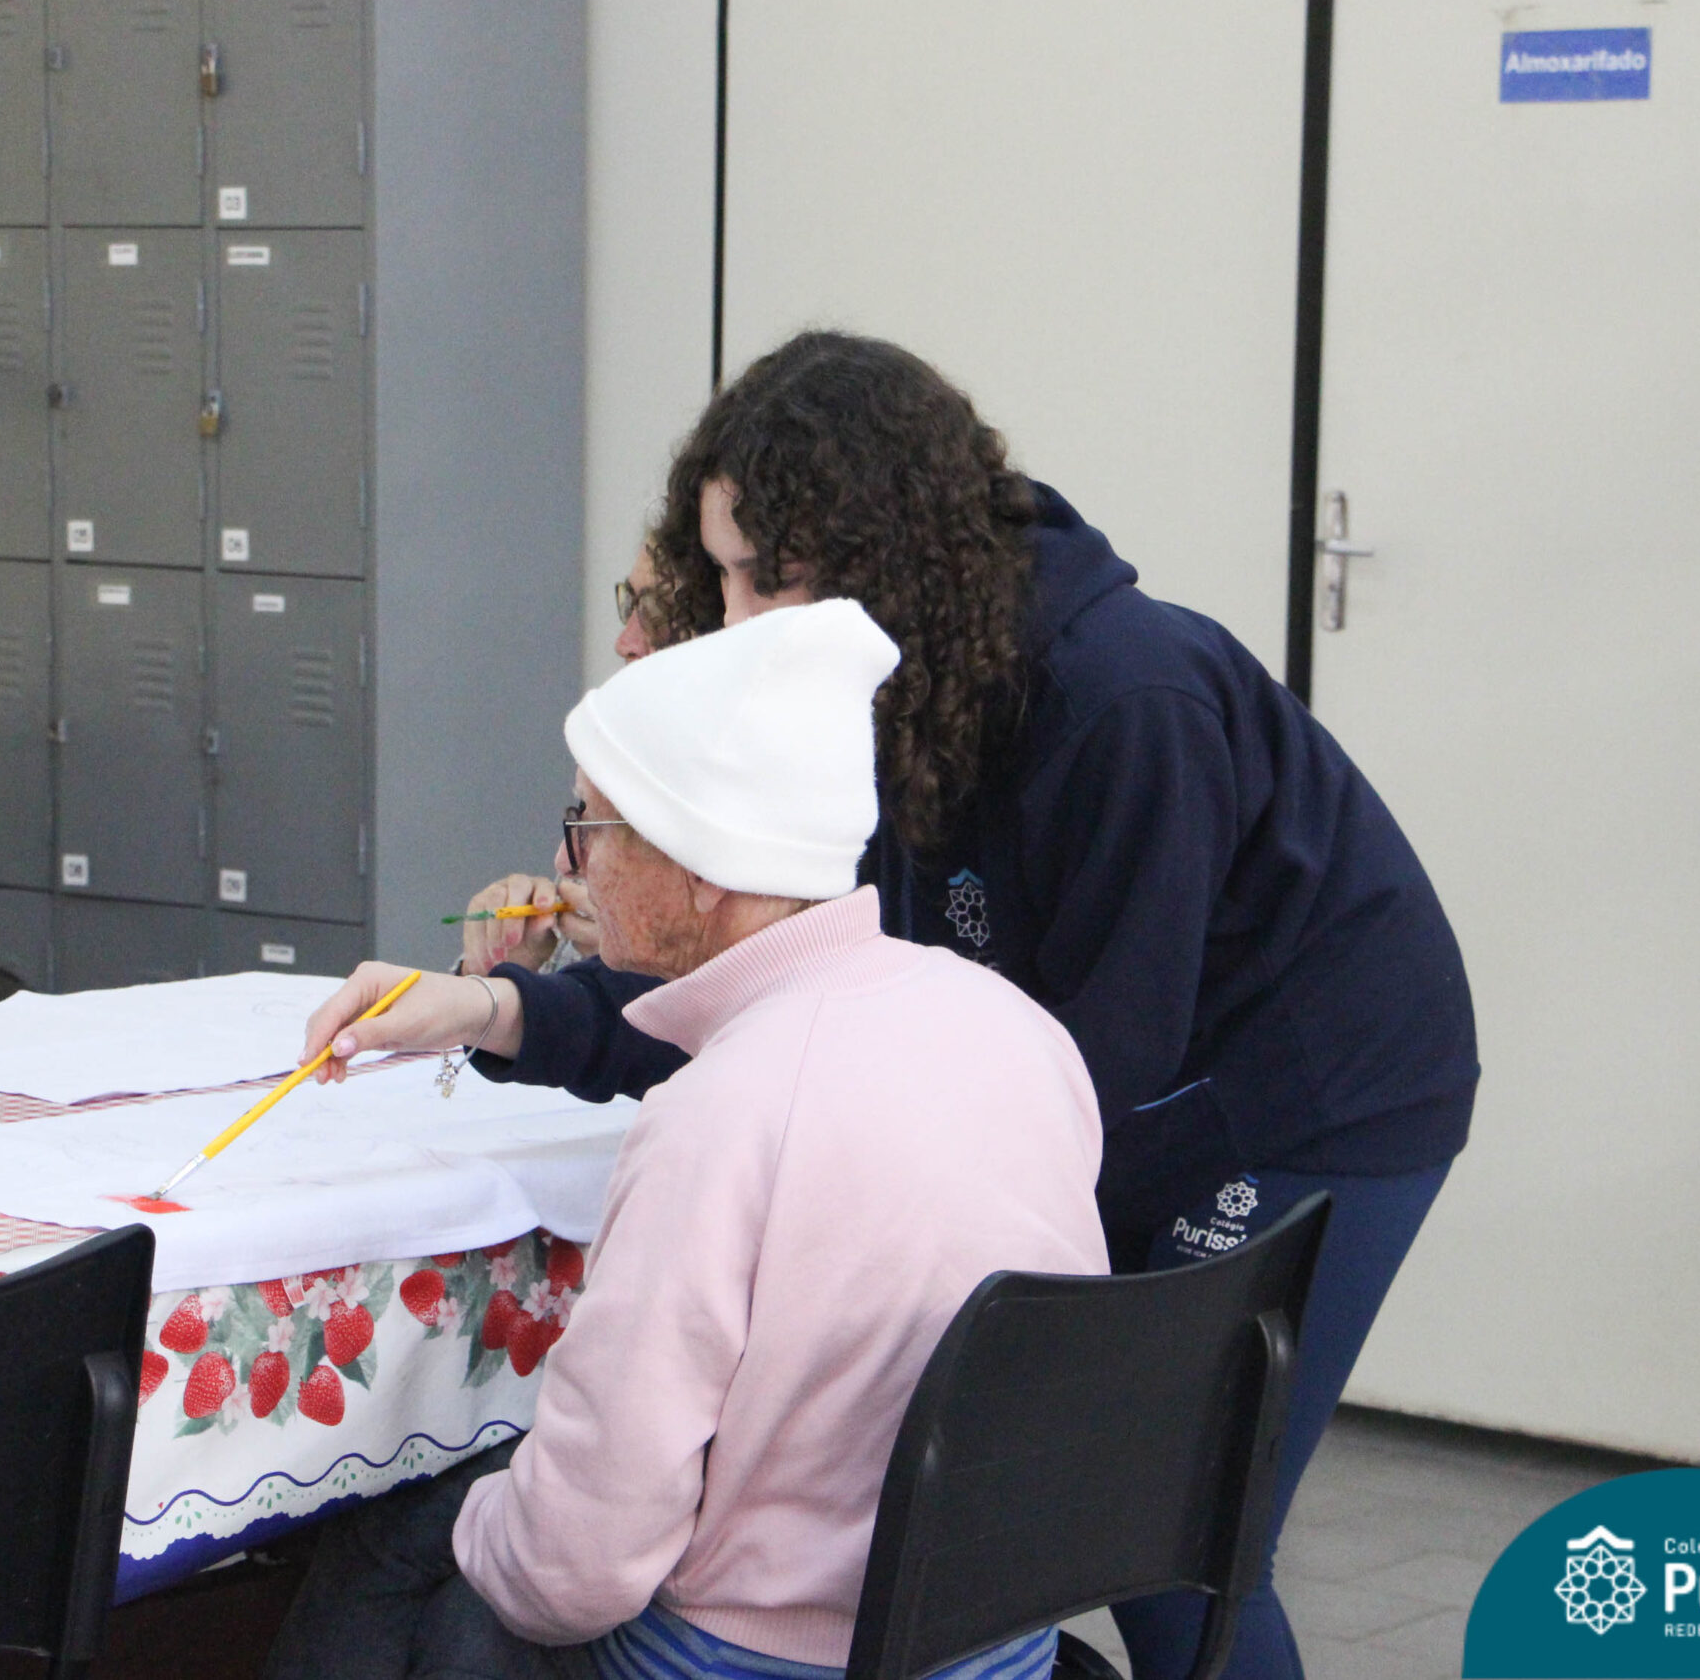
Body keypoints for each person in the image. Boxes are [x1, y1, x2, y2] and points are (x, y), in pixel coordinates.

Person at [304, 331, 1481, 1680]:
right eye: (721, 573)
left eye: (761, 575)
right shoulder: (895, 683)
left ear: (882, 551)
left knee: (1174, 1534)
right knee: (1034, 1488)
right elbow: (801, 998)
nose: (734, 614)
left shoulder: (1123, 698)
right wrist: (499, 1011)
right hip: (1105, 1071)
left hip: (1316, 1079)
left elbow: (1075, 1074)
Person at [269, 598, 1107, 1680]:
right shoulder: (1013, 1026)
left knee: (401, 1545)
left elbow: (576, 1571)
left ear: (703, 866)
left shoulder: (721, 1111)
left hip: (768, 1650)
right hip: (996, 1638)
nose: (567, 858)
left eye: (590, 825)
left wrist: (484, 1528)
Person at [460, 537, 669, 974]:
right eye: (630, 605)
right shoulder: (628, 747)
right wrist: (508, 971)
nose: (624, 642)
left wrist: (623, 970)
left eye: (655, 612)